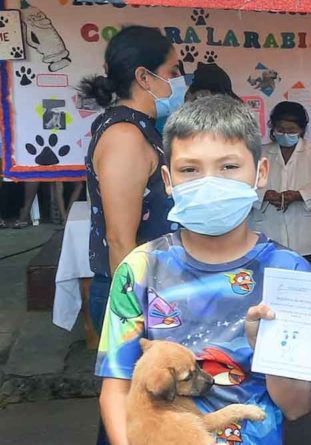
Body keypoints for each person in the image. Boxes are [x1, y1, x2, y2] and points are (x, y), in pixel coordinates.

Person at [96, 95, 311, 445]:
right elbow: (118, 389)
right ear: (168, 180)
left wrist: (268, 349)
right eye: (189, 170)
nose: (210, 183)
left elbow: (297, 406)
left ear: (260, 173)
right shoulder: (139, 269)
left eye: (229, 167)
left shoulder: (292, 275)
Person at [79, 26, 184, 445]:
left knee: (151, 415)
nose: (179, 80)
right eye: (173, 69)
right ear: (144, 77)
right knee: (130, 415)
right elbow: (122, 241)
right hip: (133, 295)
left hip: (151, 291)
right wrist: (138, 317)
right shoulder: (125, 135)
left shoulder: (143, 128)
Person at [250, 101, 311, 273]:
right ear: (272, 128)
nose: (285, 134)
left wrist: (299, 195)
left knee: (310, 289)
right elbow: (244, 184)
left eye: (291, 130)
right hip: (268, 234)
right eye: (280, 130)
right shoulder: (260, 153)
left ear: (302, 130)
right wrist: (265, 195)